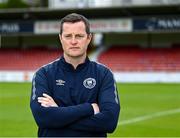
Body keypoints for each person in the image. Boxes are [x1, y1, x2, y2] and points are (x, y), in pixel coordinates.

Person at [30, 13, 120, 137]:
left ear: (89, 38)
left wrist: (58, 115)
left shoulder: (103, 74)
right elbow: (43, 118)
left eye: (79, 36)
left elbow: (109, 122)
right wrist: (89, 108)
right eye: (68, 36)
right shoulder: (44, 74)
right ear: (61, 38)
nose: (73, 41)